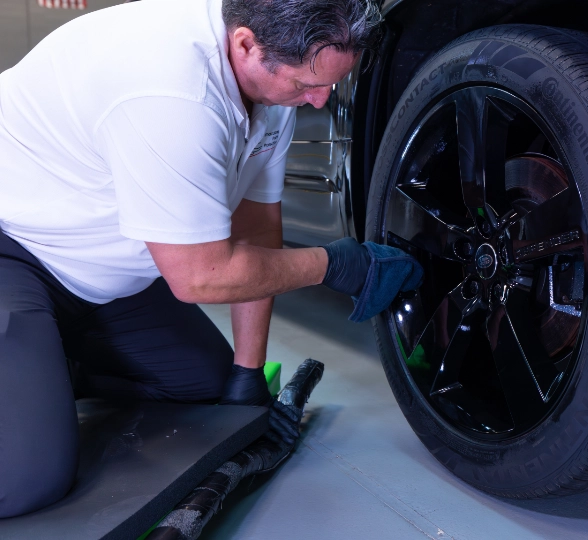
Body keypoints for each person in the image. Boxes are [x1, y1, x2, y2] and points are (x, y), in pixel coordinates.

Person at [0, 0, 420, 518]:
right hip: (14, 251)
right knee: (22, 479)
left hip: (102, 279)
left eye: (331, 84)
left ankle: (40, 365)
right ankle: (28, 380)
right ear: (245, 45)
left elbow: (257, 225)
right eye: (307, 84)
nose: (319, 101)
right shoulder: (169, 89)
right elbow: (201, 276)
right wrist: (334, 265)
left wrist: (248, 376)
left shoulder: (272, 85)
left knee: (203, 389)